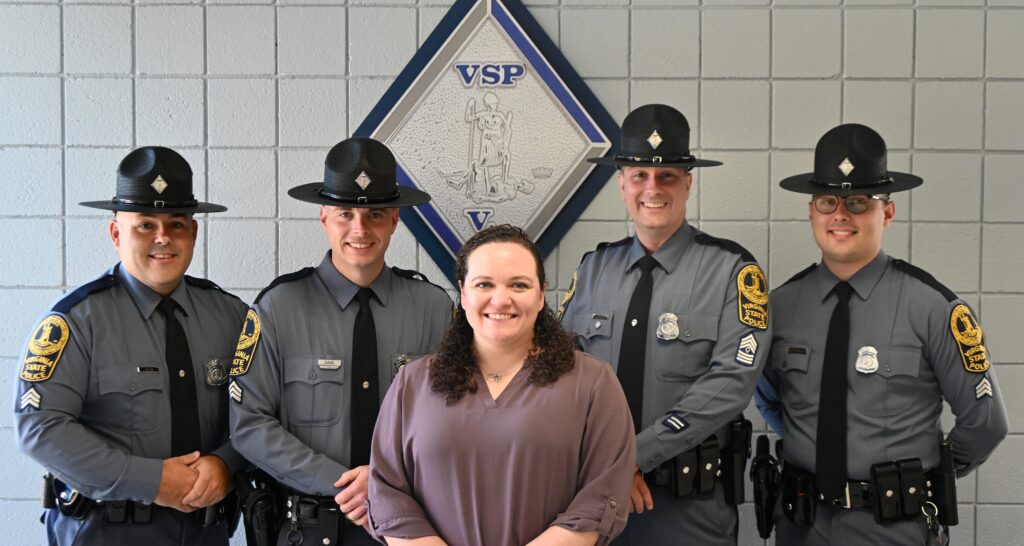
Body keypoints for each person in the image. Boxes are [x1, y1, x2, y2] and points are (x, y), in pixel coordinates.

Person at [756, 123, 1009, 544]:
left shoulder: (933, 307)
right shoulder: (778, 308)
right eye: (827, 201)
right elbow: (767, 396)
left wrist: (924, 477)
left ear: (886, 212)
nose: (840, 214)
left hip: (893, 527)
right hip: (801, 525)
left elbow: (986, 424)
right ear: (811, 211)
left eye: (858, 201)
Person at [14, 147, 248, 545]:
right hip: (105, 532)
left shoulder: (232, 316)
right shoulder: (75, 322)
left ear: (193, 233)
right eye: (145, 225)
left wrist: (226, 464)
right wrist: (154, 482)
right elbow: (40, 428)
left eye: (176, 223)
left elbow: (260, 414)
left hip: (204, 533)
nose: (163, 238)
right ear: (116, 233)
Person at [559, 104, 770, 545]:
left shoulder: (733, 270)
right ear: (621, 184)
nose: (652, 188)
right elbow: (560, 374)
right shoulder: (594, 268)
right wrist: (602, 467)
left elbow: (731, 382)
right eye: (639, 175)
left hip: (689, 509)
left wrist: (634, 457)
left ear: (688, 182)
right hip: (591, 498)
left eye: (667, 175)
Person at [229, 137, 452, 546]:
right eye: (345, 214)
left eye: (375, 215)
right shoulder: (278, 308)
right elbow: (250, 425)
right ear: (324, 217)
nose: (360, 229)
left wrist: (386, 482)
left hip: (412, 527)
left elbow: (457, 419)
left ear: (395, 220)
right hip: (308, 528)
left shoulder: (434, 308)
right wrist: (344, 484)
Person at [367, 224, 636, 546]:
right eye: (484, 284)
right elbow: (388, 495)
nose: (501, 299)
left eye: (519, 285)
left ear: (540, 295)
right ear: (463, 294)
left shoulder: (593, 383)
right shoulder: (412, 383)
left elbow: (600, 498)